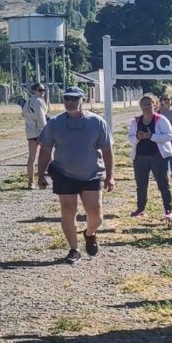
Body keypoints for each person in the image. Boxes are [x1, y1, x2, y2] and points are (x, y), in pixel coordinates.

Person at [36, 86, 115, 264]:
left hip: (92, 173)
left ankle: (89, 233)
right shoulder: (55, 123)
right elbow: (45, 149)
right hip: (64, 173)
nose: (70, 102)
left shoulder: (96, 122)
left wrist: (110, 175)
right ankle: (73, 249)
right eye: (67, 99)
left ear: (83, 101)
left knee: (96, 214)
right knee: (67, 210)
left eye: (75, 99)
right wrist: (40, 174)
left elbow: (107, 150)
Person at [127, 94, 172, 220]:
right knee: (141, 184)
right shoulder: (136, 121)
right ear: (140, 106)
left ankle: (168, 209)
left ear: (155, 105)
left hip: (158, 156)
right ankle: (140, 208)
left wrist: (151, 136)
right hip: (140, 157)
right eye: (144, 104)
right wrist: (137, 137)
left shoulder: (160, 119)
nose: (146, 107)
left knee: (163, 183)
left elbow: (169, 135)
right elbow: (130, 138)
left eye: (149, 104)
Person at [22, 83, 49, 189]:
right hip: (40, 132)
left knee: (32, 157)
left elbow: (23, 114)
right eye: (40, 90)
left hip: (30, 133)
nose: (42, 92)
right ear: (34, 91)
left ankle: (31, 182)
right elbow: (41, 118)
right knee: (47, 156)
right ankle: (43, 179)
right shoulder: (38, 102)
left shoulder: (27, 102)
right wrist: (46, 131)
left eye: (43, 90)